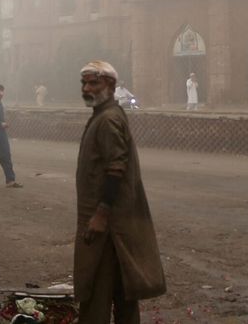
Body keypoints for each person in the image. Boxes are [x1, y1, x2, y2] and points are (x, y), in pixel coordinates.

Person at [74, 61, 166, 322]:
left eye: (94, 83)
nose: (87, 88)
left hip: (106, 225)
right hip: (109, 225)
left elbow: (117, 167)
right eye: (84, 83)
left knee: (95, 289)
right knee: (122, 289)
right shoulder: (104, 115)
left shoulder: (109, 119)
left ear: (111, 86)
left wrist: (101, 214)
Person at [0, 84, 23, 188]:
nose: (1, 93)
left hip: (2, 135)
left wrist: (3, 124)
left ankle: (10, 180)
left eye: (2, 91)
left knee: (6, 157)